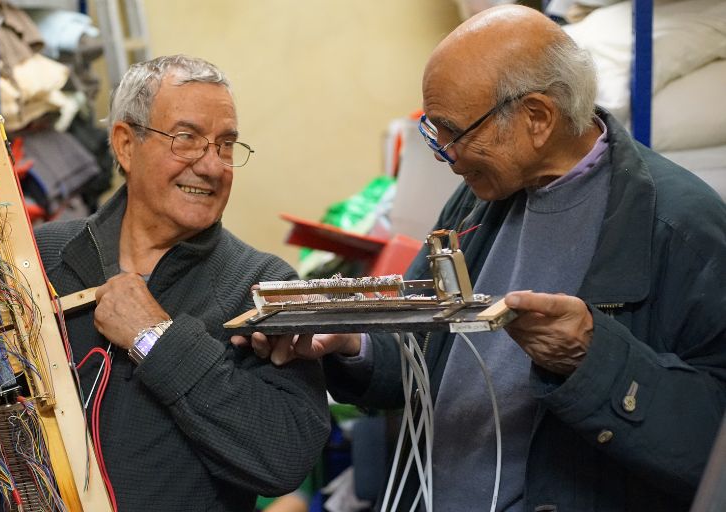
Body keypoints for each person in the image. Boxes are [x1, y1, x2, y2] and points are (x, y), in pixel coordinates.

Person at [234, 5, 726, 511]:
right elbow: (425, 353)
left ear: (537, 118)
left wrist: (590, 359)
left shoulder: (679, 228)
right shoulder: (481, 197)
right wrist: (354, 341)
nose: (442, 152)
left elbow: (711, 446)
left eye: (453, 132)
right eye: (434, 129)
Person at [31, 54, 329, 512]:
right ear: (126, 145)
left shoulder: (259, 284)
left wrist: (157, 340)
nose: (212, 166)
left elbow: (284, 457)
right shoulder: (39, 258)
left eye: (226, 145)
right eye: (187, 139)